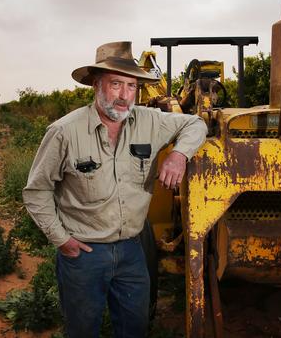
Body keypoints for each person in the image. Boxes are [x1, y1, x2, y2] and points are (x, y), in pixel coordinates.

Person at [22, 41, 207, 338]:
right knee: (83, 330)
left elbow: (196, 124)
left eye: (132, 87)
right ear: (97, 85)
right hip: (84, 254)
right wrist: (61, 240)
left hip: (132, 251)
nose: (124, 96)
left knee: (134, 329)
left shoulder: (149, 121)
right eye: (116, 84)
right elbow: (36, 191)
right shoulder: (64, 132)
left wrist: (178, 154)